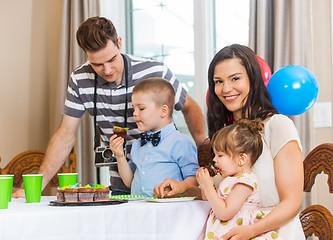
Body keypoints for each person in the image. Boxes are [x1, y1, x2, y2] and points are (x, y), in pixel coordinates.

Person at [13, 16, 205, 198]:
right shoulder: (80, 79)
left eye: (112, 59)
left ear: (119, 43)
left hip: (167, 187)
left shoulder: (154, 70)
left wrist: (202, 147)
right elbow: (65, 134)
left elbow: (188, 106)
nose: (107, 70)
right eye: (97, 64)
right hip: (124, 182)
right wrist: (37, 186)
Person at [154, 44, 304, 239]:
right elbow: (226, 197)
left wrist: (252, 230)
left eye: (235, 78)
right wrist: (185, 189)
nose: (225, 89)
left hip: (274, 233)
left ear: (253, 78)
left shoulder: (279, 126)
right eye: (218, 81)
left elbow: (292, 202)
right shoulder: (225, 134)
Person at [109, 78, 199, 197]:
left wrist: (179, 189)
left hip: (169, 208)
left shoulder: (181, 142)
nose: (135, 113)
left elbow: (193, 178)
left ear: (163, 111)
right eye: (134, 109)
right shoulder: (138, 144)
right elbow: (130, 182)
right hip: (140, 208)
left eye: (141, 108)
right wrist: (120, 156)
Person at [197, 118, 281, 240]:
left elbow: (224, 213)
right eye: (214, 155)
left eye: (220, 155)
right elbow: (208, 199)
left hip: (238, 232)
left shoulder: (244, 182)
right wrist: (205, 185)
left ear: (241, 159)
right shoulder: (229, 178)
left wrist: (208, 187)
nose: (215, 159)